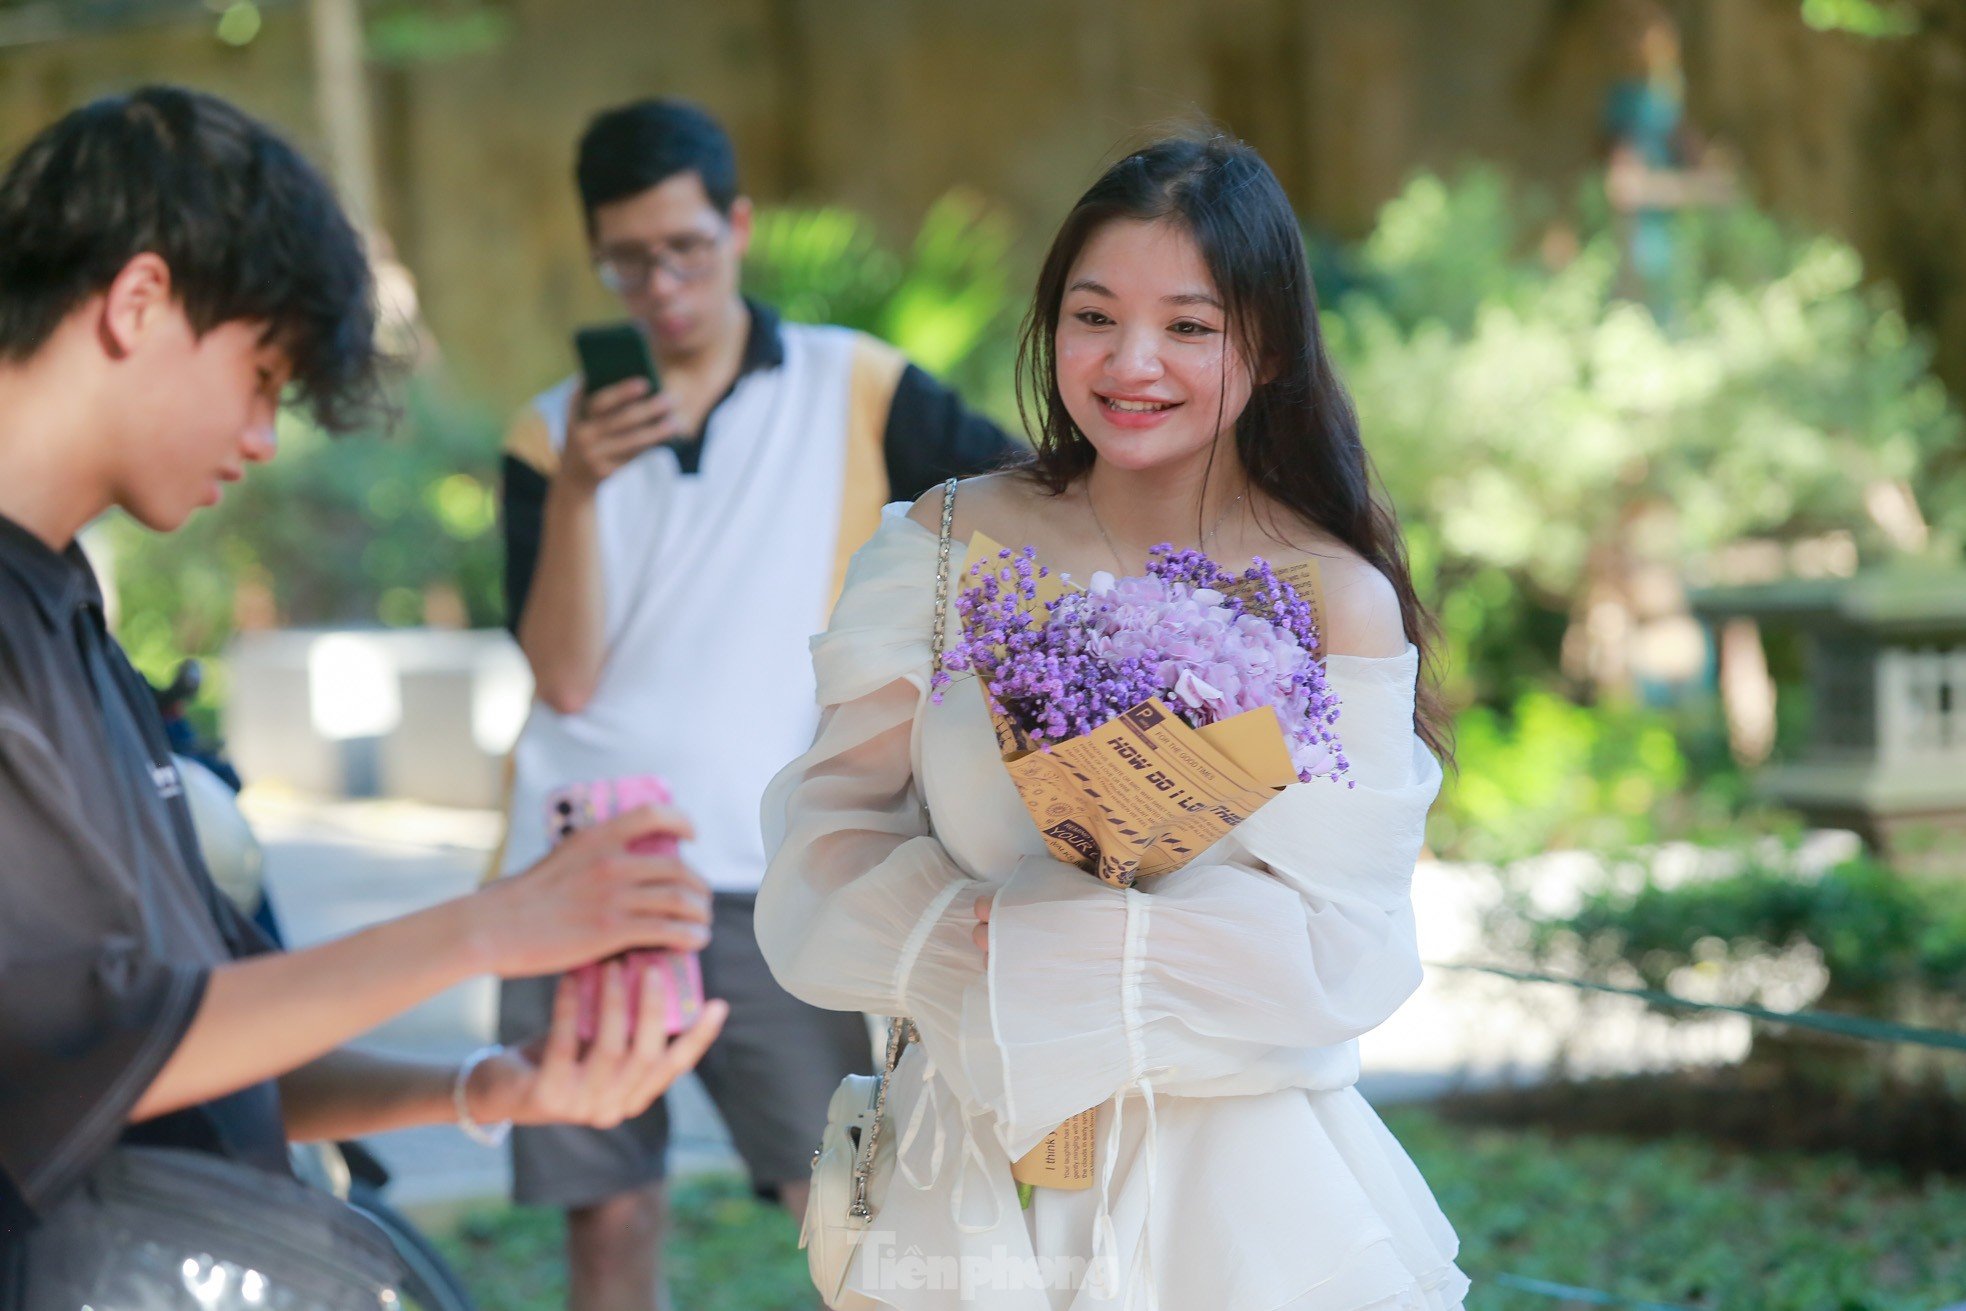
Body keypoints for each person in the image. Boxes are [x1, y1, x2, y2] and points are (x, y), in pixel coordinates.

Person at [0, 86, 727, 1293]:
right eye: (263, 374)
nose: (265, 437)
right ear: (139, 302)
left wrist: (489, 1086)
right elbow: (81, 1049)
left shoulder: (66, 612)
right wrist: (495, 925)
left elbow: (203, 1034)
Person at [757, 134, 1469, 1309]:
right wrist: (967, 927)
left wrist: (1072, 943)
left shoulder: (1330, 597)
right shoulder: (939, 547)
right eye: (1095, 316)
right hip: (968, 1166)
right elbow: (824, 853)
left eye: (1189, 326)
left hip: (1231, 1192)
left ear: (1270, 344)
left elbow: (1346, 950)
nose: (1132, 362)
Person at [495, 97, 1017, 1311]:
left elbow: (1021, 511)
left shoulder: (859, 387)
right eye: (629, 260)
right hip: (580, 862)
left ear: (736, 226)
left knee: (846, 1213)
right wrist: (577, 491)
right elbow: (562, 675)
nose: (661, 285)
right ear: (597, 258)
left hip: (781, 867)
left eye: (685, 248)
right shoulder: (549, 432)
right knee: (610, 1224)